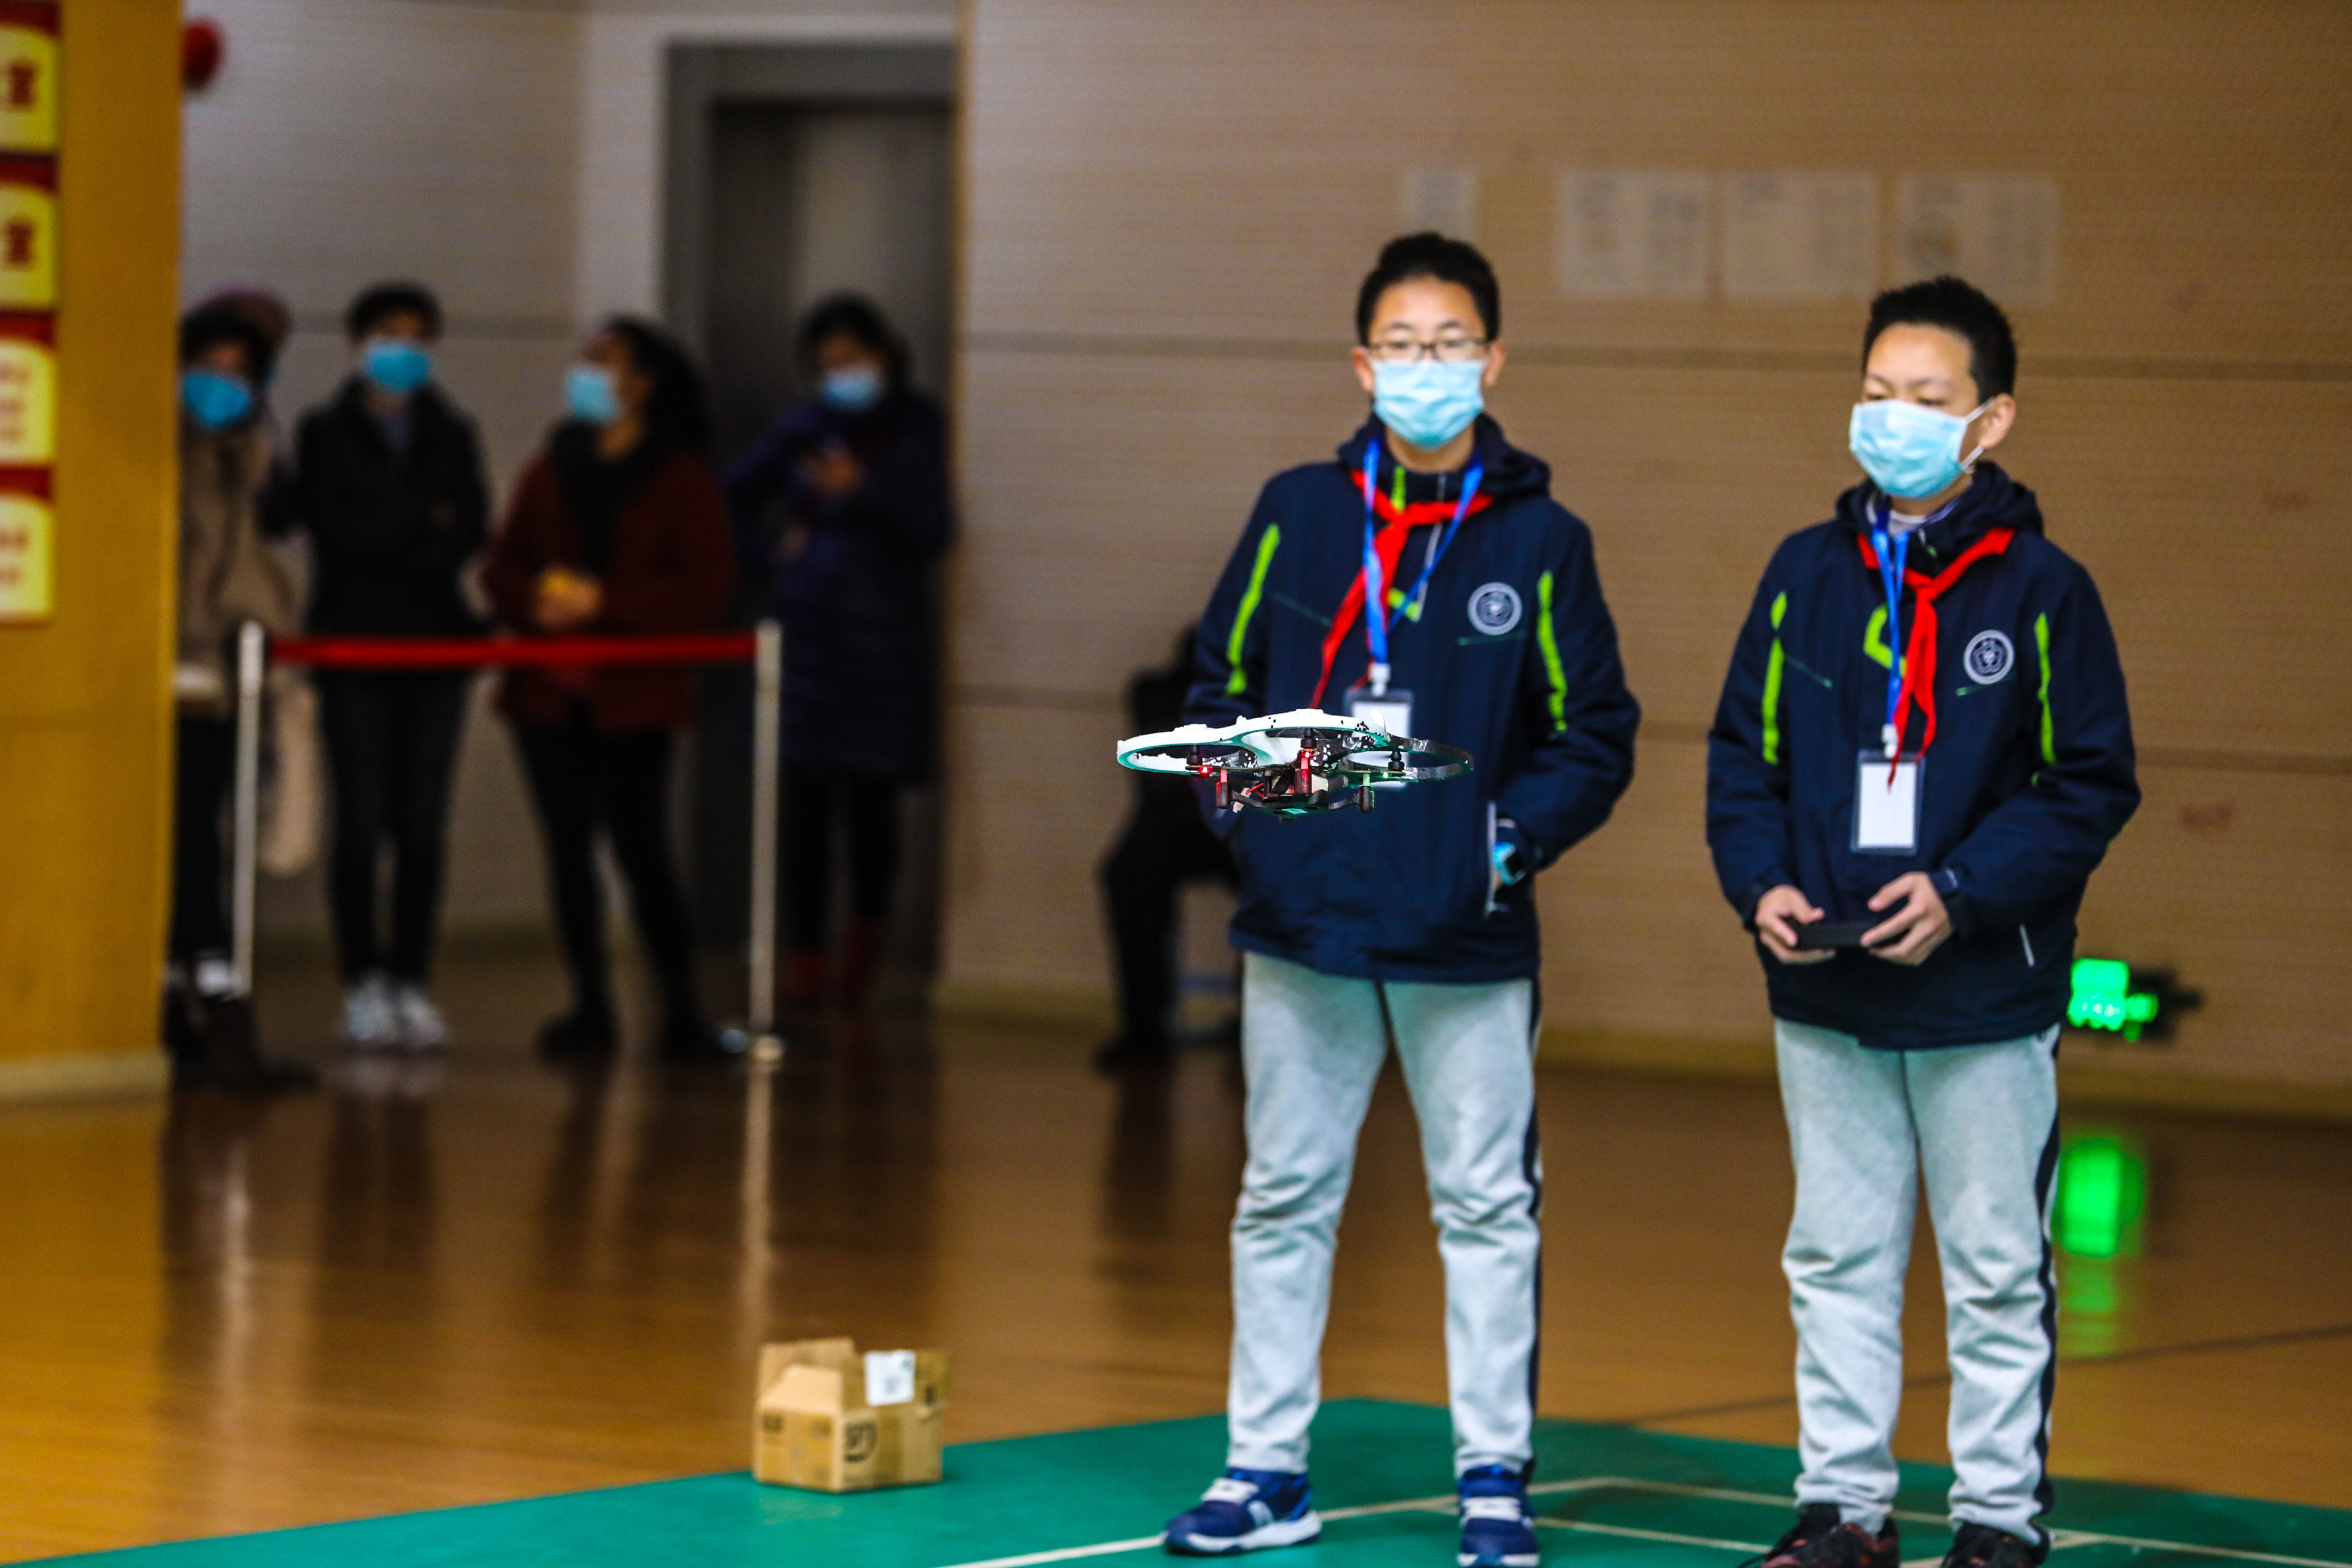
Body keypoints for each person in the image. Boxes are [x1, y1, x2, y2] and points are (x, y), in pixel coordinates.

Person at [1162, 234, 1639, 1567]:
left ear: (1490, 362)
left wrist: (1500, 844)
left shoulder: (1542, 540)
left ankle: (1491, 1475)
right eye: (1400, 347)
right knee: (1282, 1195)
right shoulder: (1296, 514)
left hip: (1463, 937)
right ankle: (1263, 1468)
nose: (1423, 369)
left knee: (1485, 1206)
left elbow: (1593, 733)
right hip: (1302, 928)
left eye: (1450, 346)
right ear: (1361, 363)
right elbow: (1213, 694)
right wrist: (1255, 824)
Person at [1704, 277, 2139, 1568]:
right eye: (1877, 392)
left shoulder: (2044, 590)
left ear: (1988, 419)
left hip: (1981, 994)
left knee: (1997, 1267)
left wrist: (1957, 895)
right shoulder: (1801, 574)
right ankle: (1841, 1512)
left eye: (1926, 398)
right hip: (1825, 989)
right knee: (1831, 1258)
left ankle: (1997, 1523)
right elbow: (1744, 757)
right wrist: (1759, 885)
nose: (1892, 417)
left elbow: (2086, 783)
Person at [482, 317, 736, 1062]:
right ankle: (589, 1002)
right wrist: (537, 602)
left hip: (633, 698)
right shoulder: (550, 465)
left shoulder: (680, 474)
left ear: (643, 382)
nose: (587, 374)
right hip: (547, 694)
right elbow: (502, 565)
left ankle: (680, 1007)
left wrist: (606, 601)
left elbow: (703, 589)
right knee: (567, 854)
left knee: (642, 849)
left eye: (605, 362)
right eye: (584, 360)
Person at [722, 294, 952, 1011]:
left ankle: (866, 947)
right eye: (827, 364)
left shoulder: (917, 429)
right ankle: (806, 956)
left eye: (852, 359)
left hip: (883, 641)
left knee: (873, 810)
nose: (840, 374)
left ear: (883, 354)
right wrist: (772, 552)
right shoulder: (804, 428)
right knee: (805, 809)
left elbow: (935, 530)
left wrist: (863, 492)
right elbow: (726, 496)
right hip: (810, 634)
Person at [293, 281, 489, 1052]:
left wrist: (407, 526)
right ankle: (362, 980)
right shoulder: (325, 430)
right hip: (353, 643)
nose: (402, 349)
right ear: (358, 342)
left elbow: (468, 525)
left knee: (422, 824)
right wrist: (419, 519)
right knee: (363, 817)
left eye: (417, 335)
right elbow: (340, 532)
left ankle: (412, 979)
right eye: (387, 334)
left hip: (437, 643)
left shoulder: (452, 430)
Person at [165, 300, 317, 1093]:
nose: (221, 385)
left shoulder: (252, 455)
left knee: (203, 837)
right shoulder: (162, 451)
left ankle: (192, 1008)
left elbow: (264, 551)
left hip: (223, 675)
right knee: (183, 844)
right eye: (209, 367)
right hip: (161, 671)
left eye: (240, 374)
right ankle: (213, 1015)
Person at [1095, 625, 1237, 1071]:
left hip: (1251, 824)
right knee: (1130, 870)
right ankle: (1144, 1026)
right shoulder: (1158, 693)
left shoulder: (1275, 694)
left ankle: (1266, 1022)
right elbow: (1159, 779)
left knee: (1290, 871)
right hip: (1179, 821)